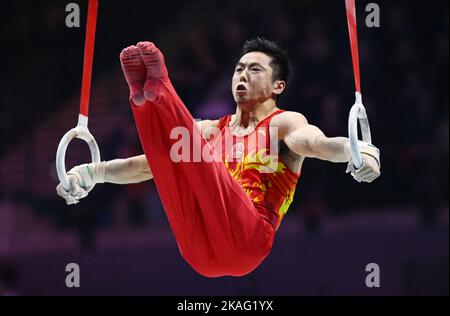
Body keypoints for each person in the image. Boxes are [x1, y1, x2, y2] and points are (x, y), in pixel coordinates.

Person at [57, 37, 381, 277]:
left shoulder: (284, 123)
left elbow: (316, 144)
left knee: (194, 151)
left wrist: (359, 151)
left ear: (278, 86)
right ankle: (144, 100)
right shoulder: (213, 130)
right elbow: (146, 166)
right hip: (198, 253)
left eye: (254, 69)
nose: (242, 75)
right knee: (173, 159)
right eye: (239, 69)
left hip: (248, 241)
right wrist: (88, 174)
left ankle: (160, 91)